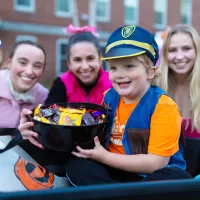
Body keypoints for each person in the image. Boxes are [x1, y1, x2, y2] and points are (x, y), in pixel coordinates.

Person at [64, 25, 192, 186]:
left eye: (129, 66)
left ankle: (112, 193)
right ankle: (120, 193)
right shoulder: (109, 98)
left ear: (150, 72)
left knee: (177, 178)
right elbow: (93, 126)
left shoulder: (163, 105)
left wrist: (103, 156)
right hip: (114, 170)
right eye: (114, 68)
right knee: (78, 164)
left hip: (150, 175)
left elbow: (156, 163)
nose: (120, 74)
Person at [18, 24, 112, 174]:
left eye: (90, 58)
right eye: (77, 60)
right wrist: (31, 125)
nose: (85, 66)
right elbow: (47, 117)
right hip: (65, 151)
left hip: (106, 152)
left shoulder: (113, 83)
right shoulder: (61, 83)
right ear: (69, 63)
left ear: (100, 59)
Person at [157, 24, 200, 177]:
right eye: (173, 50)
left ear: (197, 51)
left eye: (187, 49)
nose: (180, 56)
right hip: (165, 180)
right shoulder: (155, 89)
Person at [0, 40, 48, 128]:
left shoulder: (44, 97)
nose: (29, 72)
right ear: (8, 62)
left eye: (37, 66)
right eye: (22, 63)